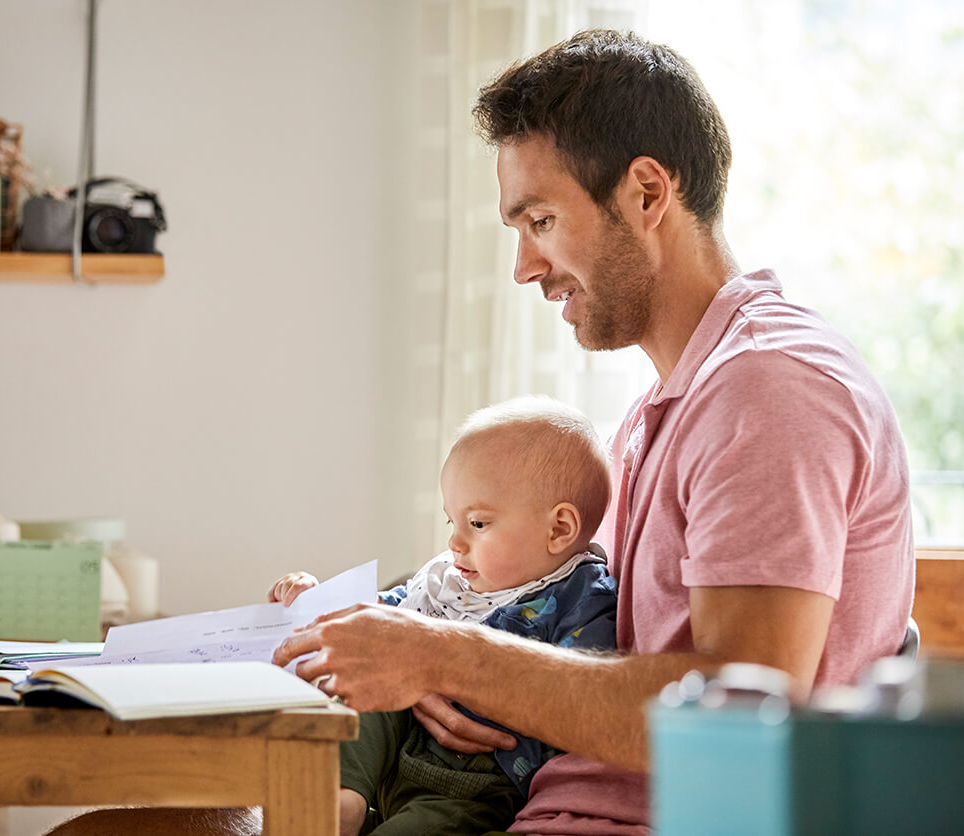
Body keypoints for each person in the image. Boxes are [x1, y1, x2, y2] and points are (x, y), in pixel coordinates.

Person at [49, 27, 914, 836]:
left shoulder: (768, 388)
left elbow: (745, 704)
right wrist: (422, 654)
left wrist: (452, 657)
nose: (525, 267)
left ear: (648, 192)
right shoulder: (675, 403)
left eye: (540, 221)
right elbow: (583, 643)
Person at [269, 396, 617, 836]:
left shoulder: (583, 600)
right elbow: (380, 623)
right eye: (451, 521)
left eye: (477, 524)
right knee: (362, 695)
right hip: (399, 747)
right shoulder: (454, 577)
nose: (455, 542)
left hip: (469, 783)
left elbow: (579, 701)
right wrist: (316, 600)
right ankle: (341, 800)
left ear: (559, 529)